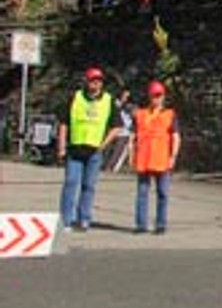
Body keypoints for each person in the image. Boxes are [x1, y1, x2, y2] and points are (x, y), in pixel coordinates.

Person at [57, 67, 122, 232]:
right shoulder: (75, 98)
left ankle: (84, 218)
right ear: (87, 81)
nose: (96, 83)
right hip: (75, 149)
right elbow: (64, 123)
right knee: (71, 183)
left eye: (99, 81)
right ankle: (66, 219)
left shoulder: (108, 100)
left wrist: (103, 145)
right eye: (93, 80)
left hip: (94, 151)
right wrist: (61, 147)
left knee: (89, 186)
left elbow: (116, 127)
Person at [131, 80, 181, 234]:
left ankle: (160, 224)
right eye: (154, 96)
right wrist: (131, 155)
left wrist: (173, 156)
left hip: (162, 159)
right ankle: (141, 225)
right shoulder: (140, 114)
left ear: (164, 96)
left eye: (159, 96)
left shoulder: (170, 114)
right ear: (149, 96)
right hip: (143, 159)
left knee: (163, 193)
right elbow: (133, 137)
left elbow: (176, 137)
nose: (156, 99)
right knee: (142, 193)